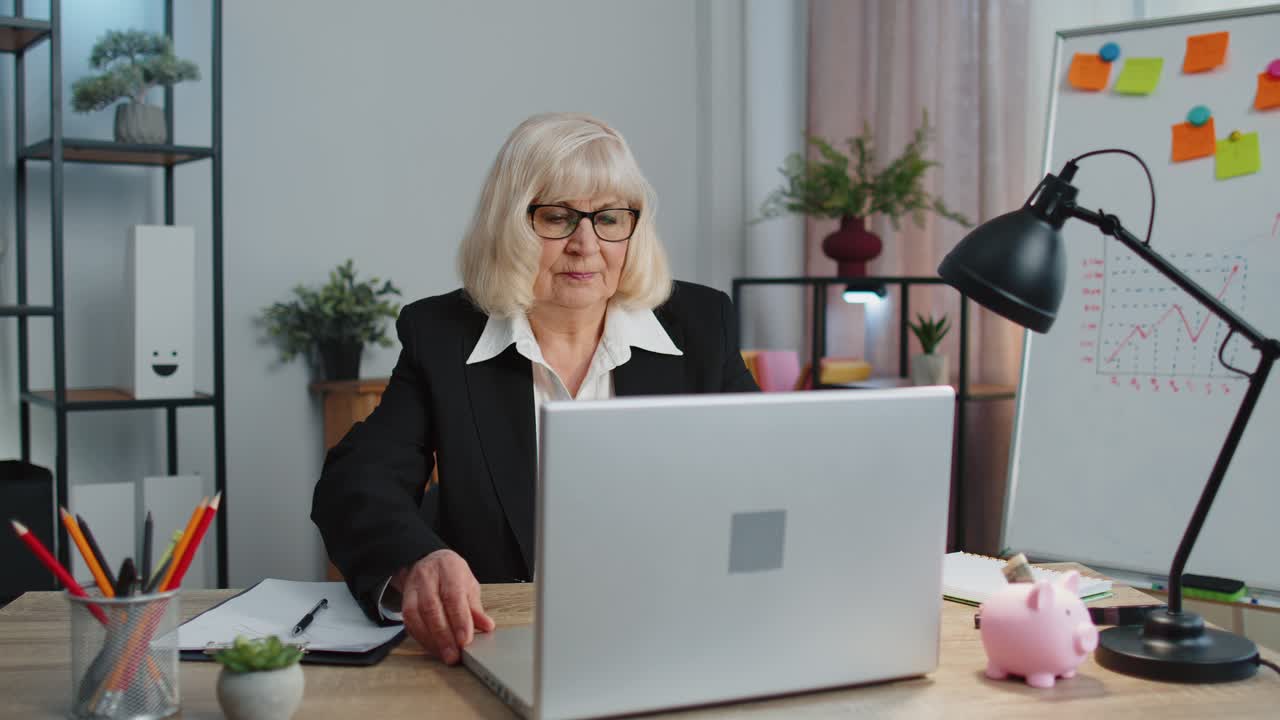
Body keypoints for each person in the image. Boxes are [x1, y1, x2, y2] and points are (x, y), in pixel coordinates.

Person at [312, 112, 758, 666]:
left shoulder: (700, 325)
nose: (585, 244)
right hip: (505, 639)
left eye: (611, 218)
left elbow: (765, 474)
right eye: (557, 217)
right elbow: (357, 480)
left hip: (672, 632)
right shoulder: (443, 335)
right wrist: (416, 560)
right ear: (510, 225)